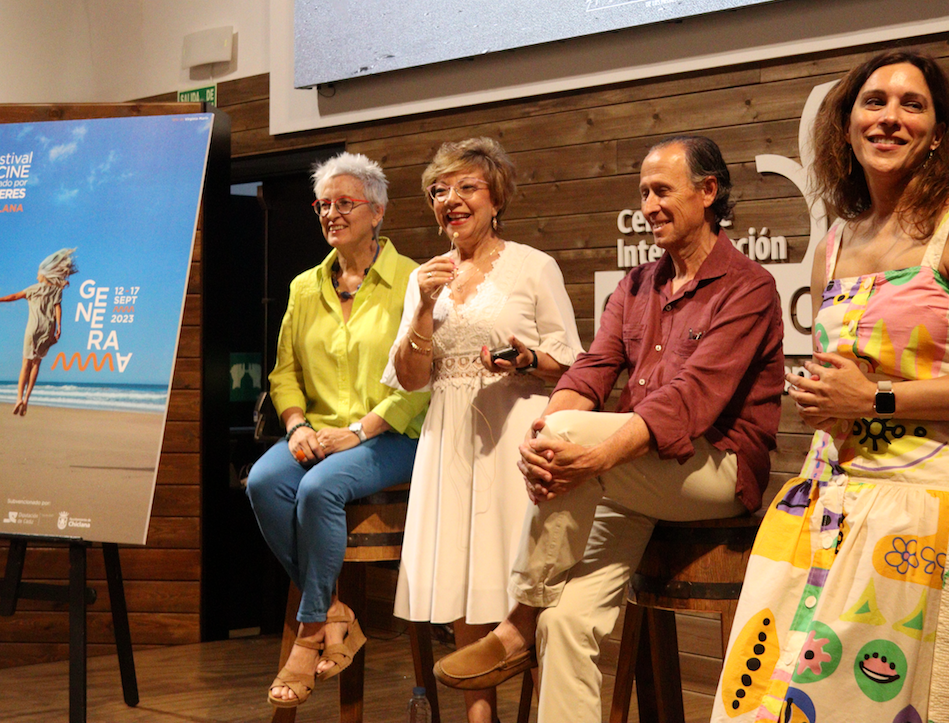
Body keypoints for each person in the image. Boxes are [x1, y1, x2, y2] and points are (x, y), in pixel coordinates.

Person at [712, 50, 949, 723]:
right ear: (846, 126)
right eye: (875, 102)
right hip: (830, 499)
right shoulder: (835, 241)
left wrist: (877, 400)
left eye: (912, 105)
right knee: (774, 700)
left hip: (927, 510)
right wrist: (828, 399)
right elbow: (842, 376)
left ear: (937, 130)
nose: (890, 117)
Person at [432, 135, 785, 723]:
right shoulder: (638, 285)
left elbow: (691, 401)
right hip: (634, 473)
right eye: (643, 192)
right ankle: (533, 624)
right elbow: (592, 369)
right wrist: (543, 433)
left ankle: (518, 619)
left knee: (571, 434)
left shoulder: (749, 287)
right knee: (567, 622)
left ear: (708, 192)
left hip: (715, 467)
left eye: (662, 190)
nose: (649, 204)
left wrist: (587, 452)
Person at [384, 136, 583, 723]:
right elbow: (410, 377)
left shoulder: (533, 266)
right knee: (466, 572)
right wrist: (421, 308)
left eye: (466, 187)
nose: (452, 199)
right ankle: (479, 716)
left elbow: (571, 361)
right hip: (448, 436)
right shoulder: (424, 278)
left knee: (517, 572)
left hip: (512, 431)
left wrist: (525, 358)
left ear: (496, 197)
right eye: (439, 191)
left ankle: (547, 709)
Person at [244, 152, 429, 709]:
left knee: (319, 488)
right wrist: (296, 425)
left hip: (394, 434)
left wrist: (359, 431)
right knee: (261, 482)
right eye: (323, 205)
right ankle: (333, 615)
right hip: (317, 433)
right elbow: (284, 372)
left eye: (344, 203)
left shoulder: (413, 281)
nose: (330, 213)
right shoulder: (305, 287)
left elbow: (421, 380)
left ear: (377, 212)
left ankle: (307, 635)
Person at [0, 246, 78, 416]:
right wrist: (59, 327)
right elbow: (58, 309)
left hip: (32, 330)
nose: (36, 276)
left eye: (38, 273)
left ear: (44, 274)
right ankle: (27, 399)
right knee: (36, 365)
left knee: (25, 365)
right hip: (47, 330)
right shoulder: (56, 290)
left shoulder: (33, 288)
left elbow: (13, 297)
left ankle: (19, 398)